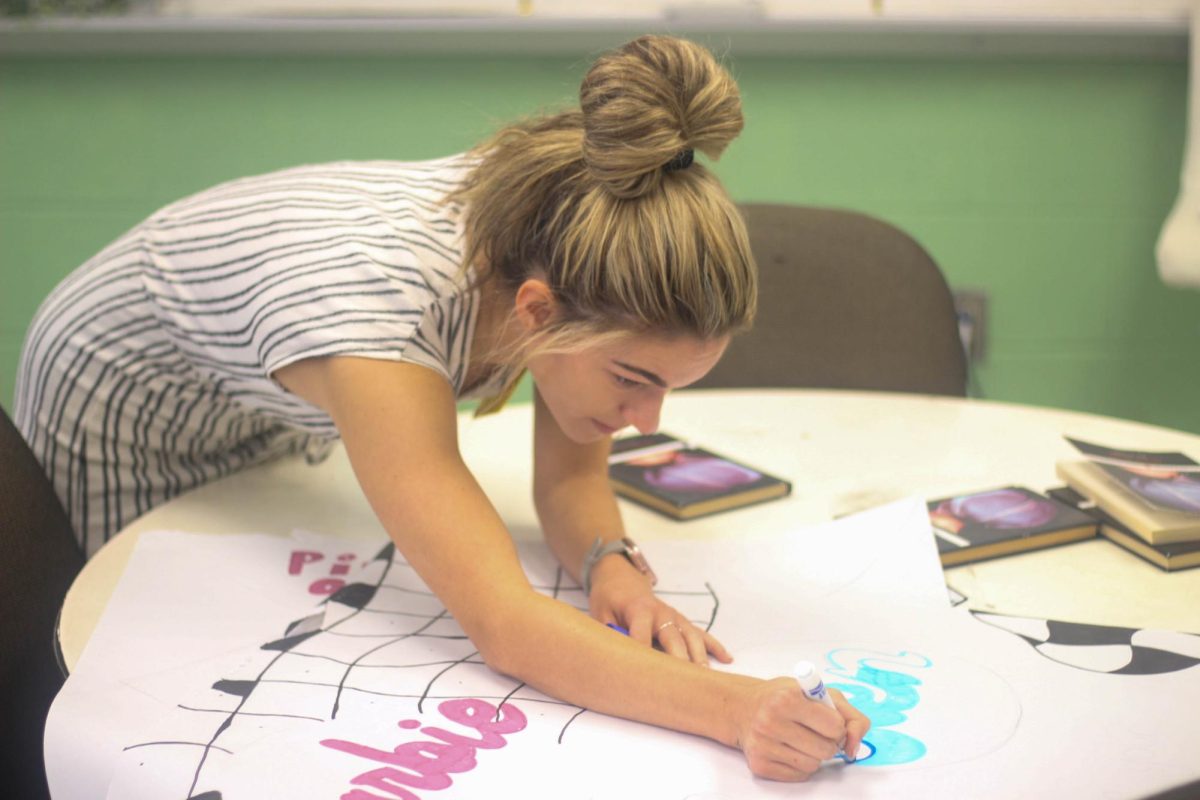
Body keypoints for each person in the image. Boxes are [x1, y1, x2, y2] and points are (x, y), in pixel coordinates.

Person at [15, 34, 869, 781]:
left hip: (258, 398)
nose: (648, 421)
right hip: (127, 402)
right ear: (536, 312)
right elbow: (503, 624)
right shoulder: (378, 327)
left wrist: (611, 564)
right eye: (632, 380)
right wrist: (736, 707)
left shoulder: (569, 223)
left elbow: (569, 479)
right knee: (141, 673)